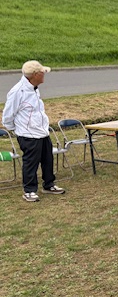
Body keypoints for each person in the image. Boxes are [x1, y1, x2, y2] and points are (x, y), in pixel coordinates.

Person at [2, 60, 65, 202]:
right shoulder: (18, 91)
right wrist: (18, 130)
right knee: (31, 162)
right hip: (28, 135)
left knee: (47, 159)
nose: (44, 75)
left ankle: (49, 184)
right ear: (35, 75)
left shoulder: (34, 88)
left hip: (42, 132)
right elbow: (7, 115)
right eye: (42, 73)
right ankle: (29, 190)